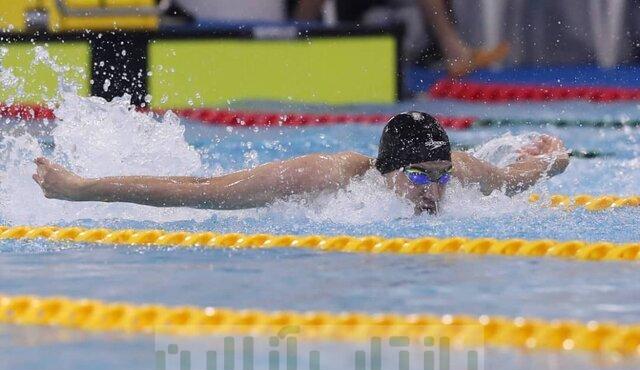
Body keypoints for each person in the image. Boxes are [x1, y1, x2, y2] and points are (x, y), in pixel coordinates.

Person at [33, 112, 569, 215]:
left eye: (439, 176)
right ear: (387, 172)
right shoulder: (332, 178)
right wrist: (81, 188)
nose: (434, 190)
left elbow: (514, 178)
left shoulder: (454, 169)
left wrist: (555, 161)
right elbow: (200, 190)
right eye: (418, 176)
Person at [292, 0, 509, 77]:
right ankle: (455, 51)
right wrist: (295, 40)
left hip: (404, 31)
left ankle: (454, 51)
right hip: (365, 31)